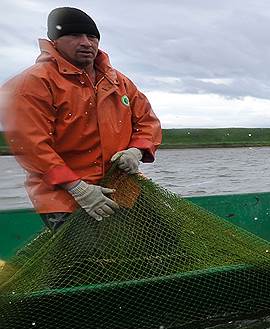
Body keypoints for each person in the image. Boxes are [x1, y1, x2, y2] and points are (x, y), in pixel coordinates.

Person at [0, 7, 162, 230]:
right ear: (54, 40)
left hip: (123, 190)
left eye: (92, 36)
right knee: (88, 261)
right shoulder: (32, 83)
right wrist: (77, 187)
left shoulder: (119, 82)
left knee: (167, 238)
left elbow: (147, 122)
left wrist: (137, 150)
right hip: (65, 198)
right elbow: (31, 146)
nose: (86, 42)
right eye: (75, 35)